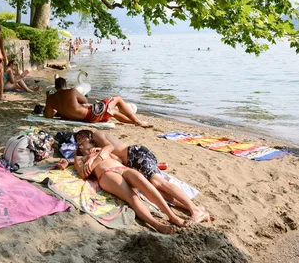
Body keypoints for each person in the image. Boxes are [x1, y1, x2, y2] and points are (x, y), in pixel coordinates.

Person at [75, 129, 210, 225]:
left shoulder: (97, 135)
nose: (79, 142)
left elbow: (108, 148)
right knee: (156, 191)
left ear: (88, 135)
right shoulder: (88, 152)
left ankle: (195, 209)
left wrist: (95, 158)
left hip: (135, 155)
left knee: (157, 183)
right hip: (127, 164)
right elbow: (109, 159)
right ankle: (191, 208)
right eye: (77, 141)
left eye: (81, 137)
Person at [56, 142, 182, 234]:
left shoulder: (102, 149)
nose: (82, 143)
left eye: (84, 140)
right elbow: (84, 173)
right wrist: (90, 160)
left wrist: (96, 156)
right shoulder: (80, 158)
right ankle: (157, 225)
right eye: (80, 143)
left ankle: (171, 215)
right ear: (80, 148)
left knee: (145, 184)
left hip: (122, 169)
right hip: (107, 174)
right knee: (132, 197)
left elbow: (111, 148)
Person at [45, 77, 152, 127]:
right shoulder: (72, 91)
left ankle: (134, 123)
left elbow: (48, 116)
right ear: (65, 85)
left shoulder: (50, 98)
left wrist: (60, 109)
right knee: (118, 99)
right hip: (90, 115)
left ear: (55, 87)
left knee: (112, 112)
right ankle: (136, 120)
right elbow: (85, 100)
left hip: (79, 118)